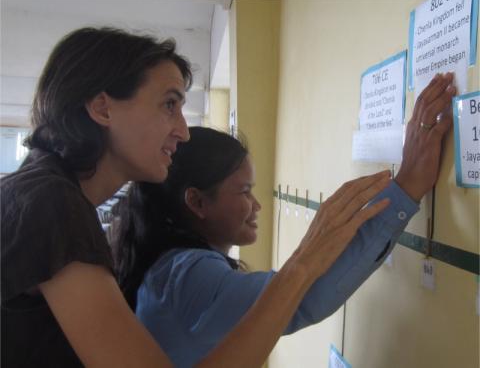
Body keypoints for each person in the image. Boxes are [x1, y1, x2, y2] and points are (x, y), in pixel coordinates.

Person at [0, 26, 403, 368]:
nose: (183, 130)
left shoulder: (42, 193)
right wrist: (303, 263)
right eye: (169, 104)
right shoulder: (53, 203)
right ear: (103, 108)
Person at [114, 71, 457, 367]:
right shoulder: (187, 276)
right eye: (244, 191)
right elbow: (301, 298)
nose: (256, 206)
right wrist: (408, 186)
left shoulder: (169, 268)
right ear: (197, 201)